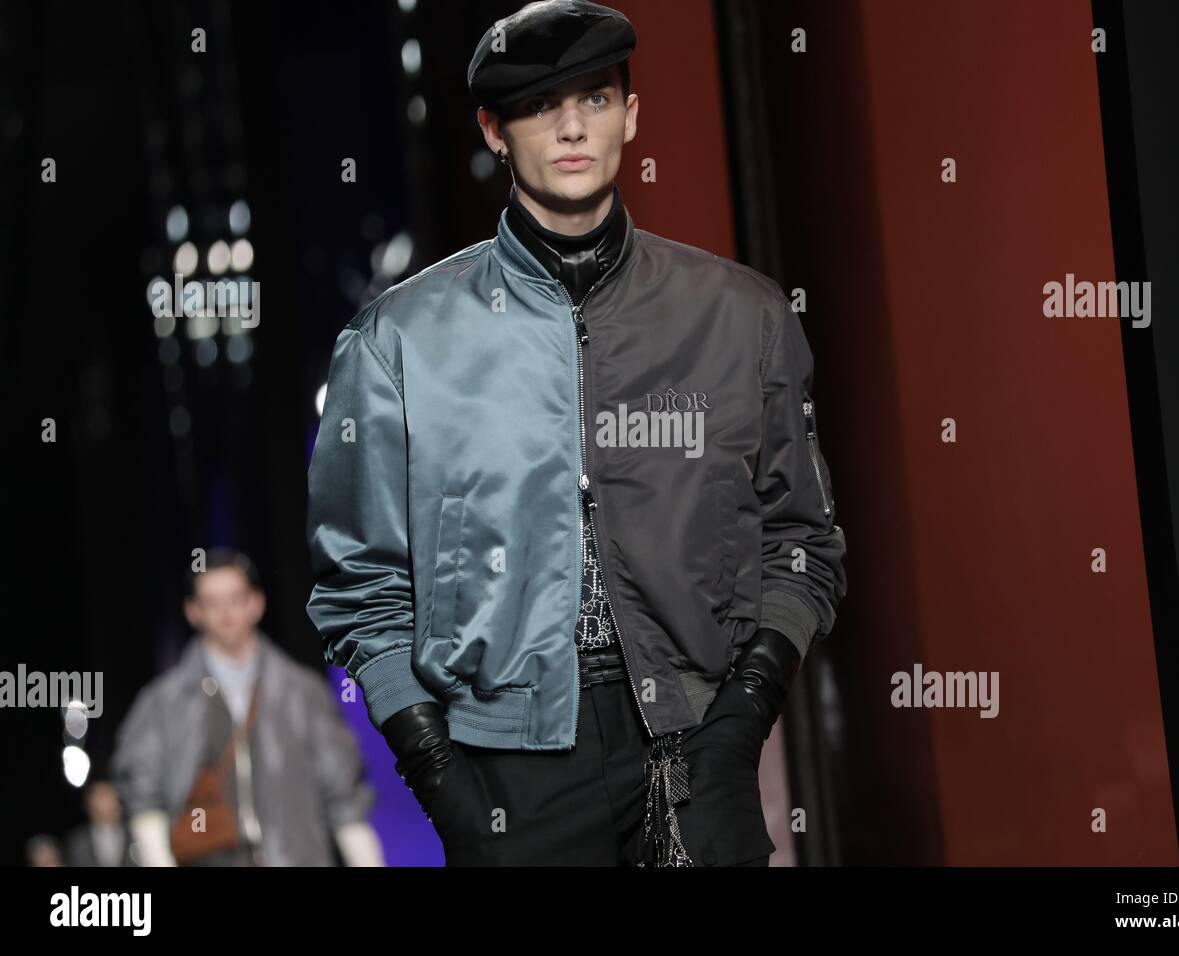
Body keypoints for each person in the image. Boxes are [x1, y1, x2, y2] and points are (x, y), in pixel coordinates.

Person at [306, 0, 846, 866]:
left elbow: (802, 542)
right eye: (537, 104)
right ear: (493, 129)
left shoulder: (741, 318)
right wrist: (440, 774)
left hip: (701, 745)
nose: (569, 126)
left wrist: (745, 713)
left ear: (633, 114)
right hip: (505, 776)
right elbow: (360, 586)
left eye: (594, 98)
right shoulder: (398, 343)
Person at [111, 548, 383, 866]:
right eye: (212, 602)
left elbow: (344, 796)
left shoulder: (302, 692)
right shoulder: (163, 702)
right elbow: (143, 795)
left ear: (256, 603)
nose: (226, 612)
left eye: (235, 598)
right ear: (192, 611)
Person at [63, 779, 136, 867]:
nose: (111, 801)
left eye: (113, 794)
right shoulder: (77, 841)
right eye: (102, 795)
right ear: (89, 803)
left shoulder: (135, 833)